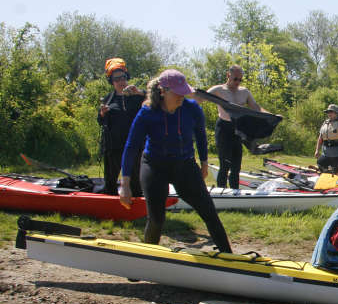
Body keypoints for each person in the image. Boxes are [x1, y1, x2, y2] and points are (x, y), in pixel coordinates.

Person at [119, 69, 231, 253]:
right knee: (156, 219)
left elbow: (201, 136)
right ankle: (144, 261)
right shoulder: (147, 113)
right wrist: (125, 183)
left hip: (184, 165)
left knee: (209, 213)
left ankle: (231, 261)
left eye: (184, 92)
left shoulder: (192, 108)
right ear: (163, 91)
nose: (182, 97)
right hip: (155, 165)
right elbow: (131, 146)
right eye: (177, 93)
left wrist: (204, 163)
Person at [207, 64, 270, 188]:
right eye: (235, 79)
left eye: (240, 79)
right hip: (223, 128)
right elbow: (201, 97)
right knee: (225, 165)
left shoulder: (244, 92)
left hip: (238, 129)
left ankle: (235, 192)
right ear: (228, 75)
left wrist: (272, 115)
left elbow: (256, 107)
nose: (237, 82)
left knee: (236, 166)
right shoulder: (218, 90)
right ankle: (222, 192)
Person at [97, 58, 145, 195]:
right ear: (111, 82)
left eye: (123, 78)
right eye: (116, 79)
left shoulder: (137, 96)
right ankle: (109, 204)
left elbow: (157, 99)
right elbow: (100, 121)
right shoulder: (108, 98)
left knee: (136, 181)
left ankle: (137, 207)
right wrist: (102, 114)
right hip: (113, 146)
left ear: (127, 77)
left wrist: (139, 92)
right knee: (110, 180)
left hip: (134, 145)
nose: (120, 82)